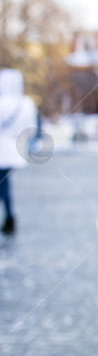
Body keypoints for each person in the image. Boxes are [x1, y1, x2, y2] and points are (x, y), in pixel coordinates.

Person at [0, 69, 39, 236]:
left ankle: (9, 218)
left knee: (3, 185)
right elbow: (32, 129)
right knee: (5, 184)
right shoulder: (26, 103)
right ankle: (9, 217)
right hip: (15, 151)